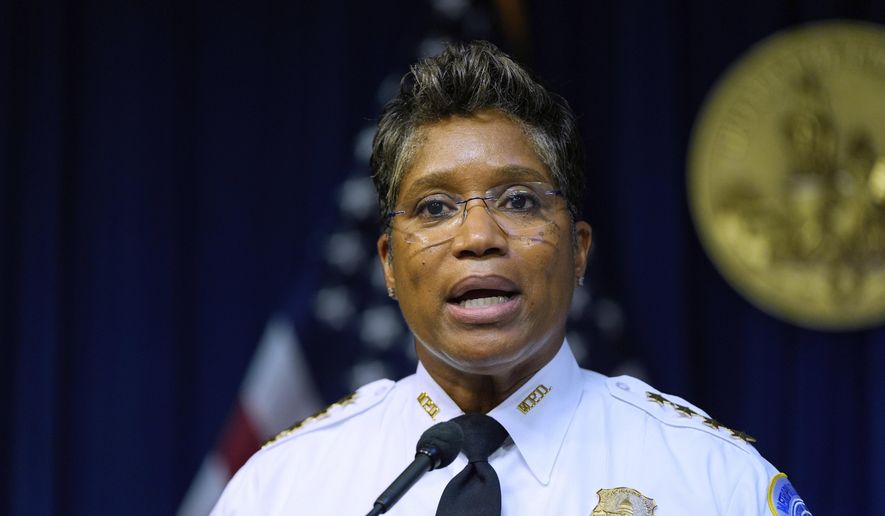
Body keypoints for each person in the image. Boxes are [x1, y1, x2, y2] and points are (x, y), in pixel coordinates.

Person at [210, 41, 810, 516]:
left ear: (578, 253)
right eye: (436, 207)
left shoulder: (710, 480)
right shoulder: (280, 489)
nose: (478, 237)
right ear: (389, 263)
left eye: (519, 200)